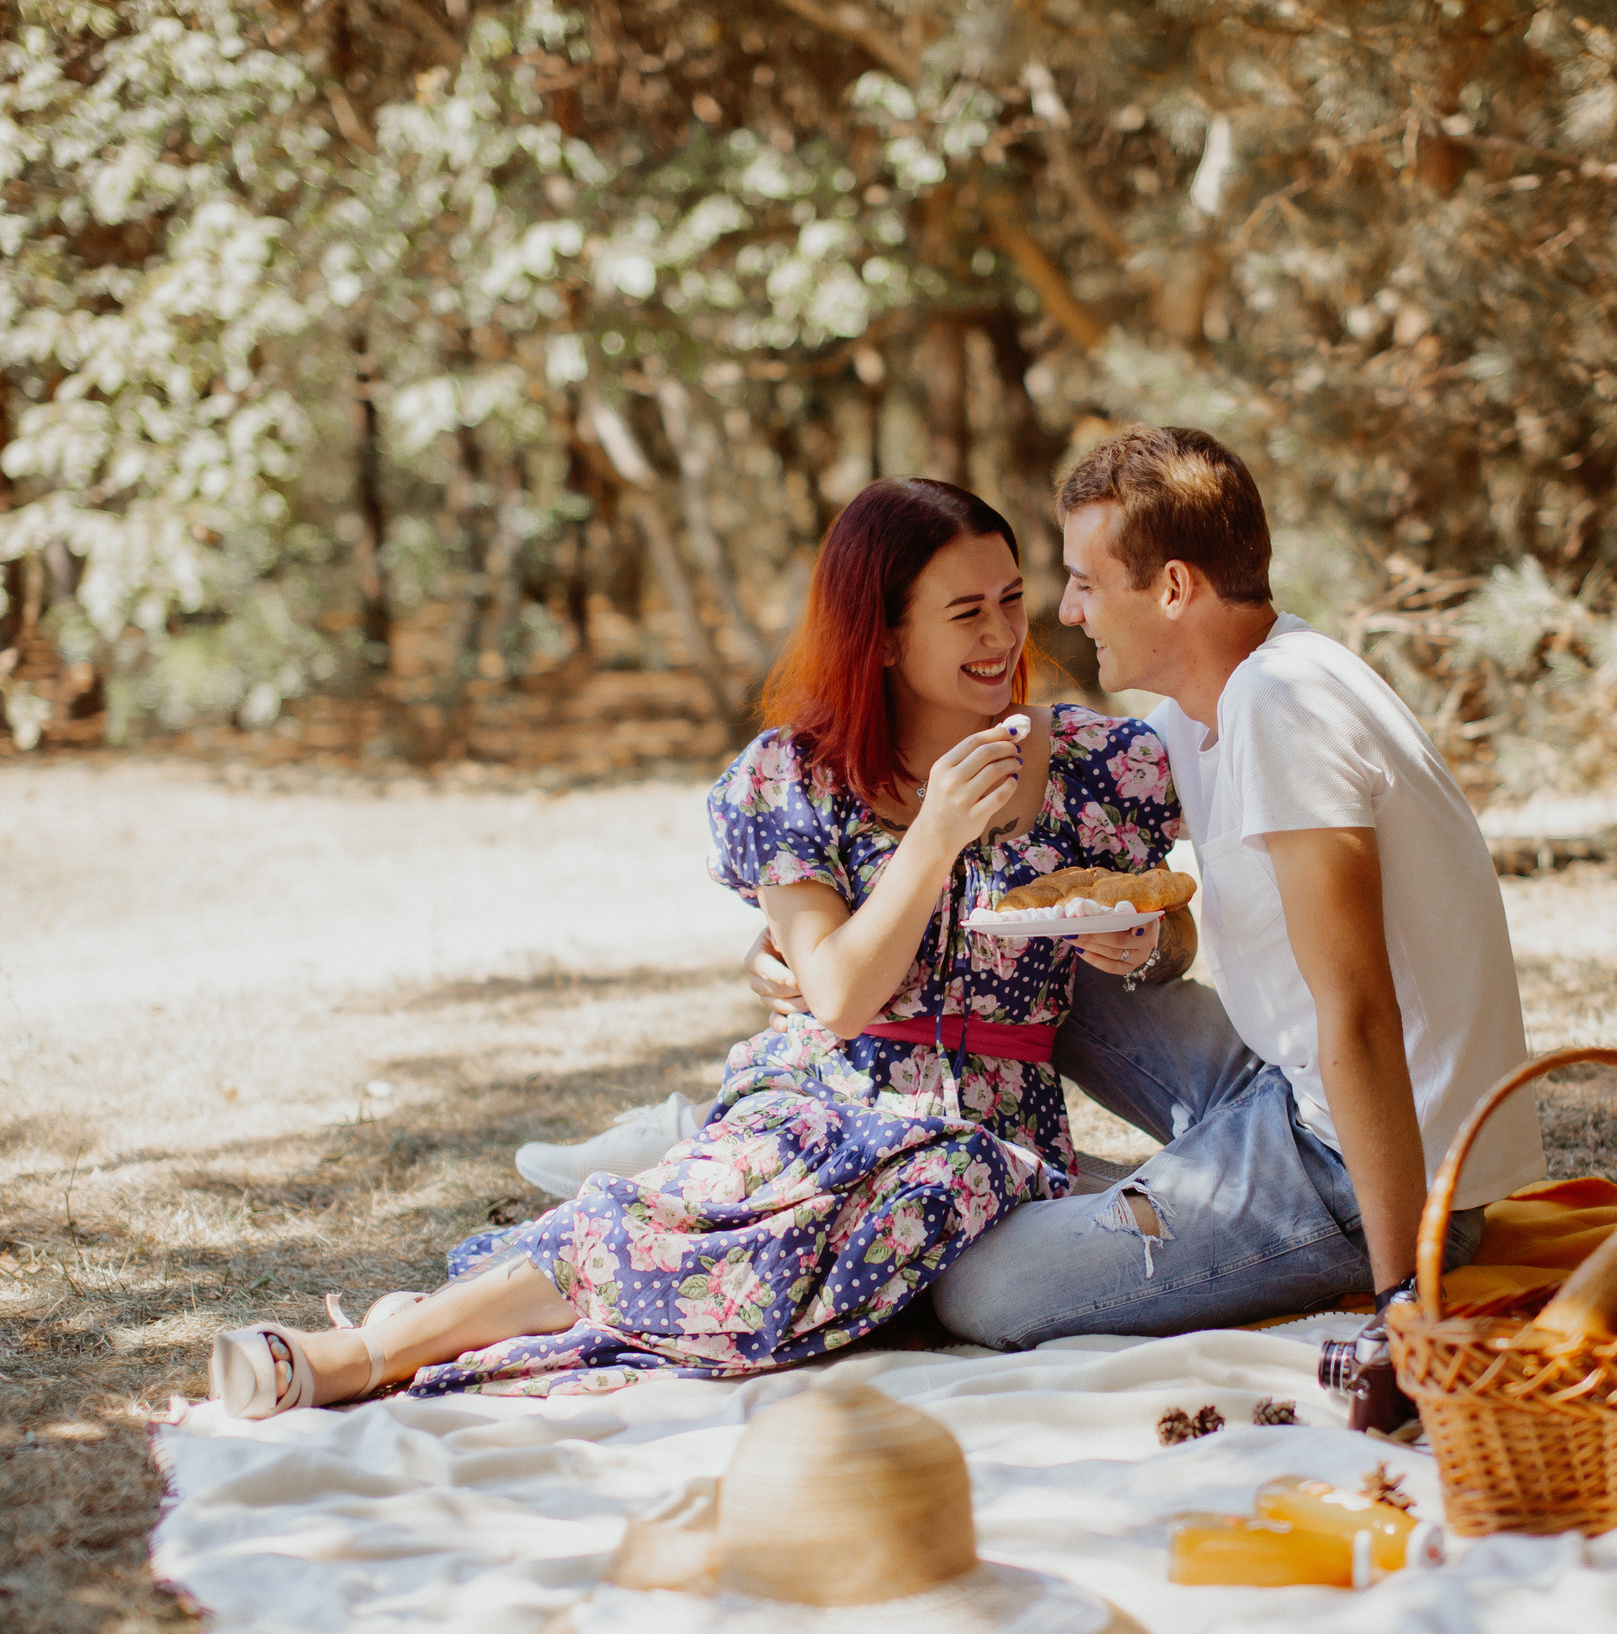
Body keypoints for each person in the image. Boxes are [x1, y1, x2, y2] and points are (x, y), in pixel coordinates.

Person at [207, 477, 1184, 1415]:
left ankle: (464, 1331)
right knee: (697, 1220)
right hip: (821, 1099)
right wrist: (932, 837)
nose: (1004, 634)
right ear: (882, 638)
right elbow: (837, 997)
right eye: (965, 611)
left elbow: (1172, 920)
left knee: (868, 1226)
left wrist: (1149, 941)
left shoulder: (1098, 766)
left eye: (1012, 599)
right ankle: (378, 1350)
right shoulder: (796, 776)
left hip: (984, 1139)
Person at [752, 427, 1542, 1344]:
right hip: (1289, 1085)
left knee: (983, 1289)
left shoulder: (1279, 706)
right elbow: (1109, 903)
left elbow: (1361, 1011)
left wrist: (1404, 1293)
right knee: (1040, 962)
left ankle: (1067, 1204)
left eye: (1084, 581)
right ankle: (1042, 1184)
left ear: (1173, 588)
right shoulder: (1204, 708)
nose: (1066, 612)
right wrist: (790, 946)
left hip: (1378, 1164)